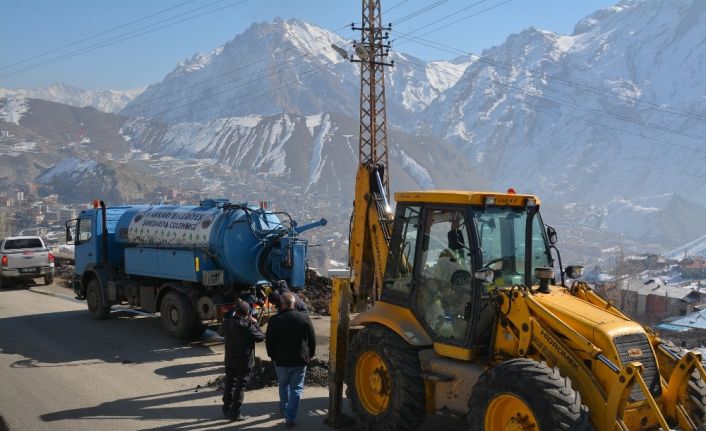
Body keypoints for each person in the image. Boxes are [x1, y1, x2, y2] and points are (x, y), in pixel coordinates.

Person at [265, 292, 316, 428]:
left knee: (283, 385)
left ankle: (284, 408)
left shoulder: (274, 320)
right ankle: (290, 416)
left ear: (281, 305)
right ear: (293, 303)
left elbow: (269, 341)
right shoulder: (304, 318)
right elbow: (312, 339)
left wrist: (272, 356)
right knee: (296, 388)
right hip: (299, 360)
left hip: (281, 361)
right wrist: (310, 354)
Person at [217, 300, 265, 421]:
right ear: (248, 313)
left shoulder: (227, 323)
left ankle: (226, 408)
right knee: (240, 386)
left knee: (230, 383)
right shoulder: (247, 326)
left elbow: (220, 332)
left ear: (235, 311)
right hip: (244, 361)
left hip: (230, 359)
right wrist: (255, 323)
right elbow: (260, 337)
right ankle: (235, 413)